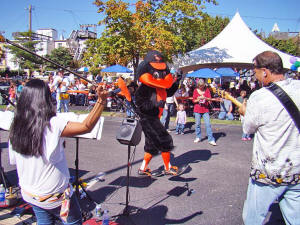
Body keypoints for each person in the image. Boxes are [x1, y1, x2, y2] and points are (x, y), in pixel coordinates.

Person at [9, 79, 108, 225]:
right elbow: (86, 126)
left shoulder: (16, 123)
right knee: (73, 222)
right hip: (54, 195)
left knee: (44, 221)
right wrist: (101, 100)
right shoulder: (52, 123)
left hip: (29, 192)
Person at [238, 51, 300, 225]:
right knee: (295, 219)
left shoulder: (260, 96)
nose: (255, 76)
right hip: (297, 168)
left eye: (255, 72)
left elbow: (248, 128)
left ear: (264, 71)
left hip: (269, 170)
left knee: (252, 218)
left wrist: (244, 113)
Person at [135, 50, 182, 176]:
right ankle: (168, 168)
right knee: (164, 140)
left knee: (152, 145)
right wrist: (156, 104)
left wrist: (177, 81)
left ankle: (143, 169)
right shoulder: (144, 89)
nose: (160, 75)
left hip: (155, 117)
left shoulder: (160, 86)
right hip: (148, 118)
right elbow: (141, 105)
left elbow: (170, 91)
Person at [192, 79, 217, 146]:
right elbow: (193, 101)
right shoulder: (195, 90)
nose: (201, 87)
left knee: (208, 124)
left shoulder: (207, 90)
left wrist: (205, 98)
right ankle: (198, 137)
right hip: (197, 109)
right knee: (197, 124)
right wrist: (198, 99)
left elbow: (210, 99)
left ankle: (211, 139)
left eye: (202, 85)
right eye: (200, 86)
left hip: (205, 109)